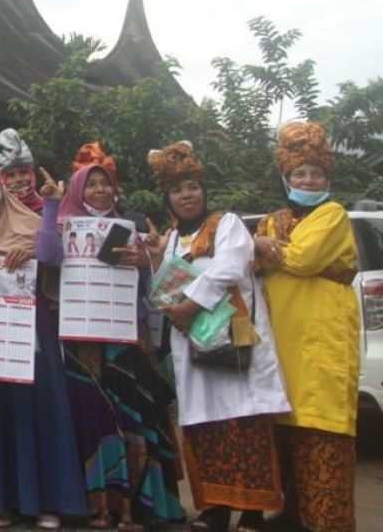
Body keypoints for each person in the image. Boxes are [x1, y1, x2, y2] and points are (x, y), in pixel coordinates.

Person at [145, 141, 290, 532]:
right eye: (177, 190)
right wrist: (157, 261)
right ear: (168, 198)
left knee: (245, 423)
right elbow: (165, 285)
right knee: (204, 425)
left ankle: (254, 512)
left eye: (191, 186)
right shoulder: (174, 239)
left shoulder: (227, 224)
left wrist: (190, 305)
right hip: (193, 346)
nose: (186, 195)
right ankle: (215, 509)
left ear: (203, 190)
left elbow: (229, 268)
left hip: (232, 341)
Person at [38, 144, 183, 530]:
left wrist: (147, 260)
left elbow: (154, 285)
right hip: (82, 339)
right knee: (91, 416)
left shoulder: (132, 226)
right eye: (92, 184)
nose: (100, 191)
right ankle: (94, 504)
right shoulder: (63, 224)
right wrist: (51, 206)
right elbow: (48, 257)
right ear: (78, 189)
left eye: (106, 184)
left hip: (126, 336)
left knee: (132, 416)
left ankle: (132, 506)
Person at [0, 159, 87, 529]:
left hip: (33, 330)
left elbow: (51, 254)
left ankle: (48, 501)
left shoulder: (30, 220)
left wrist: (38, 235)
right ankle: (1, 501)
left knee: (39, 408)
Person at [254, 121, 360, 532]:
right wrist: (259, 249)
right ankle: (292, 514)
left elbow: (302, 260)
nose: (309, 180)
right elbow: (256, 257)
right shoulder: (272, 219)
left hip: (322, 341)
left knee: (322, 428)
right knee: (285, 430)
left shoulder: (333, 215)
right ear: (287, 178)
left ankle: (326, 522)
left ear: (327, 178)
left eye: (316, 174)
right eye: (300, 174)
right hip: (282, 340)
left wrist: (264, 250)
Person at [0, 128, 43, 214]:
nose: (18, 180)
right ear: (0, 180)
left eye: (23, 172)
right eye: (10, 175)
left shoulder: (50, 208)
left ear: (32, 175)